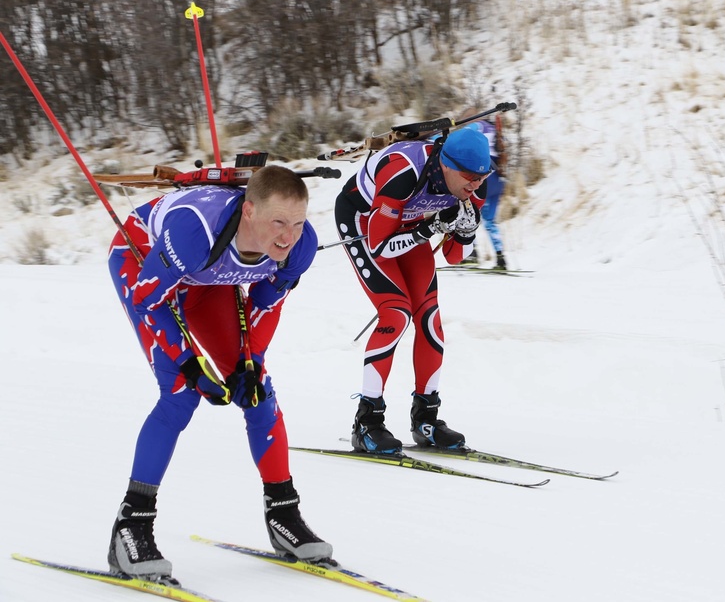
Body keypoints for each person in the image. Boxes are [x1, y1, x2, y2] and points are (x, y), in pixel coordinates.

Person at [106, 164, 332, 581]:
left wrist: (251, 363)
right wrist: (192, 365)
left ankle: (284, 514)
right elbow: (147, 301)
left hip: (209, 278)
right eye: (278, 222)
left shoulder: (300, 246)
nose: (288, 236)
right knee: (180, 393)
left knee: (259, 391)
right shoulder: (196, 232)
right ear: (248, 212)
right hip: (147, 263)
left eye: (297, 223)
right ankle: (131, 527)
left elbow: (265, 304)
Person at [335, 127, 490, 454]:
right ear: (446, 164)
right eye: (468, 177)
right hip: (364, 224)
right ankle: (367, 423)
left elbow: (453, 256)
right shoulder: (403, 171)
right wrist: (429, 228)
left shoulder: (473, 184)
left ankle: (426, 419)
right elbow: (379, 247)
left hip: (408, 227)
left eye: (481, 176)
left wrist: (466, 231)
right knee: (396, 313)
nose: (475, 184)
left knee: (430, 320)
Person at [465, 117, 508, 270]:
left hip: (485, 179)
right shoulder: (499, 134)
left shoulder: (479, 126)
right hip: (499, 181)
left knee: (467, 213)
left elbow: (462, 135)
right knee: (490, 222)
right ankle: (501, 258)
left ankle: (471, 254)